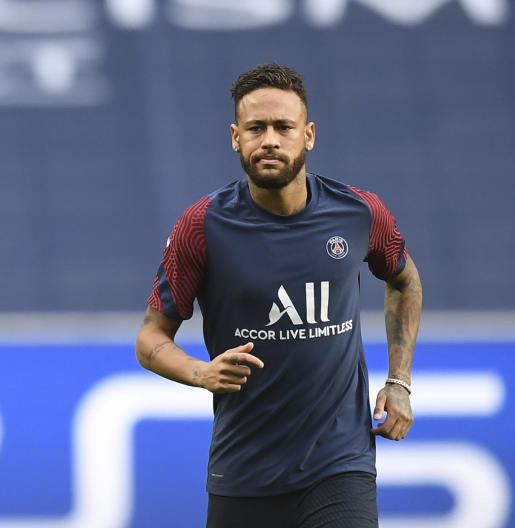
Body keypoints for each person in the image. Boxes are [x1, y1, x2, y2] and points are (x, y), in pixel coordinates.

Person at [136, 63, 422, 527]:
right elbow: (150, 339)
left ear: (308, 135)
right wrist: (201, 372)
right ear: (235, 137)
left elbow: (404, 281)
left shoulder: (359, 213)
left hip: (339, 465)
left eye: (283, 127)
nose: (270, 139)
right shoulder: (202, 226)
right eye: (256, 128)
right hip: (244, 472)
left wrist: (400, 381)